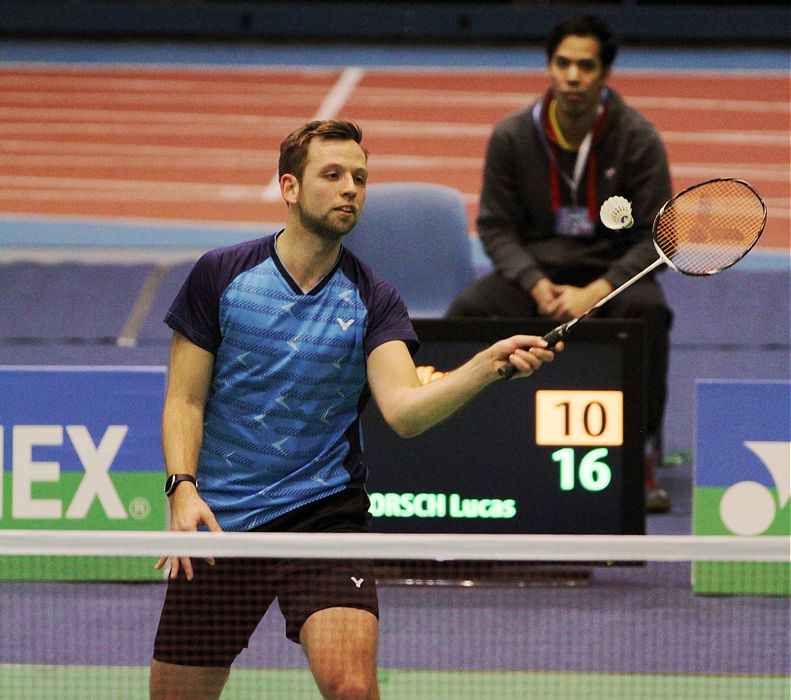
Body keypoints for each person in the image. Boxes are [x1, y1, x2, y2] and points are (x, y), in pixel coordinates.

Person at [149, 119, 560, 700]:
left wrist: (486, 365)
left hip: (322, 514)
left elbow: (405, 411)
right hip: (223, 516)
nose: (351, 189)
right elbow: (184, 401)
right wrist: (182, 489)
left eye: (360, 178)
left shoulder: (372, 298)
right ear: (289, 187)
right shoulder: (222, 276)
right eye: (333, 175)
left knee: (351, 689)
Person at [446, 15, 673, 513]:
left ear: (605, 72)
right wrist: (533, 281)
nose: (573, 76)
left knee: (650, 313)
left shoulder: (637, 139)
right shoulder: (512, 136)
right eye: (563, 63)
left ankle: (640, 452)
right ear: (549, 67)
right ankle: (461, 442)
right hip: (535, 274)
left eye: (585, 66)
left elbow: (658, 237)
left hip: (609, 276)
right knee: (467, 310)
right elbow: (495, 226)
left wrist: (601, 287)